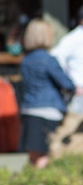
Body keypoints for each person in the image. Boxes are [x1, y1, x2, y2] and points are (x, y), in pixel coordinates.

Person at [20, 18, 79, 168]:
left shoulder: (25, 60)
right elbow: (67, 84)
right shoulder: (48, 60)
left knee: (33, 155)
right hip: (48, 111)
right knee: (46, 155)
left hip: (28, 109)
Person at [49, 6, 83, 157]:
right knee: (70, 135)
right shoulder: (74, 38)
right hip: (79, 96)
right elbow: (54, 60)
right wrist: (69, 84)